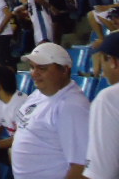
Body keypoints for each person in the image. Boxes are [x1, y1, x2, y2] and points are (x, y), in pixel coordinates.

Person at [11, 43, 90, 179]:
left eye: (42, 68)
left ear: (64, 70)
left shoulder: (72, 107)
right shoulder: (37, 94)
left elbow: (81, 167)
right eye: (32, 67)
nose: (34, 74)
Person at [84, 32, 119, 179]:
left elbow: (102, 174)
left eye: (102, 62)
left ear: (113, 61)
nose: (103, 73)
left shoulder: (109, 98)